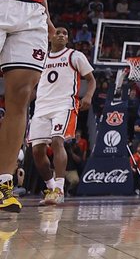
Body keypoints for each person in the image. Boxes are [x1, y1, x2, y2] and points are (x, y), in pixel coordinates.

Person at [0, 0, 58, 212]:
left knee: (20, 97)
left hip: (33, 11)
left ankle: (3, 183)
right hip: (1, 1)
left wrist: (49, 21)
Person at [29, 27, 95, 204]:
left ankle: (59, 189)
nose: (61, 35)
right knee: (37, 151)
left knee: (57, 140)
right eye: (58, 33)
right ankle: (50, 188)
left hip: (63, 104)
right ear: (51, 37)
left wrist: (88, 95)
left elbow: (92, 79)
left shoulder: (75, 55)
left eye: (65, 33)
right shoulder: (41, 58)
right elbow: (35, 84)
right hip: (41, 106)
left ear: (67, 39)